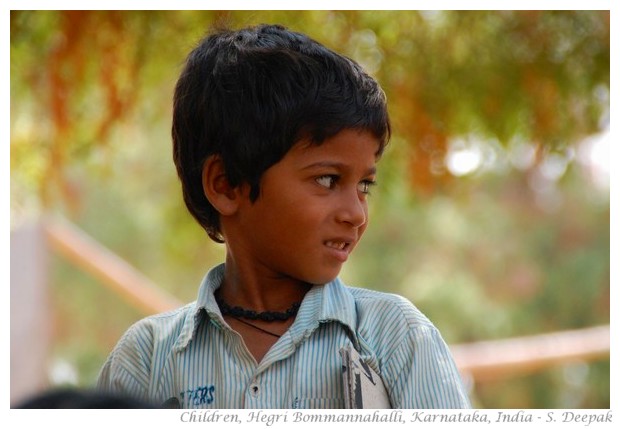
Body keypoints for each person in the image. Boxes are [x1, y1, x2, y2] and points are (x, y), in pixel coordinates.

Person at [97, 23, 471, 409]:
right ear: (225, 184)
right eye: (327, 180)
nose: (356, 213)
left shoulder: (395, 338)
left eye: (364, 186)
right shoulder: (147, 361)